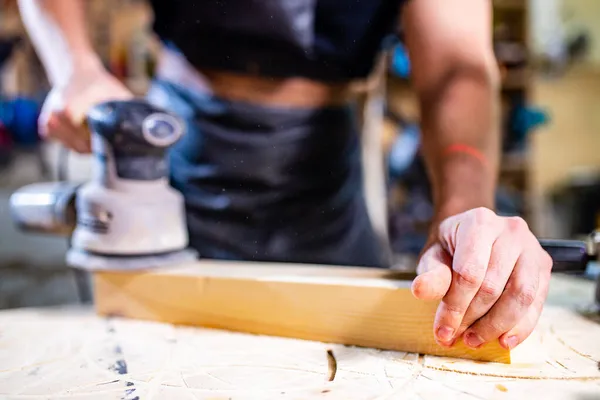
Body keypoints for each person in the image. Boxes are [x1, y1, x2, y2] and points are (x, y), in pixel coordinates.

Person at [18, 0, 552, 352]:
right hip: (181, 144)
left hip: (323, 167)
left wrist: (463, 209)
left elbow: (458, 63)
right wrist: (76, 66)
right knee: (140, 347)